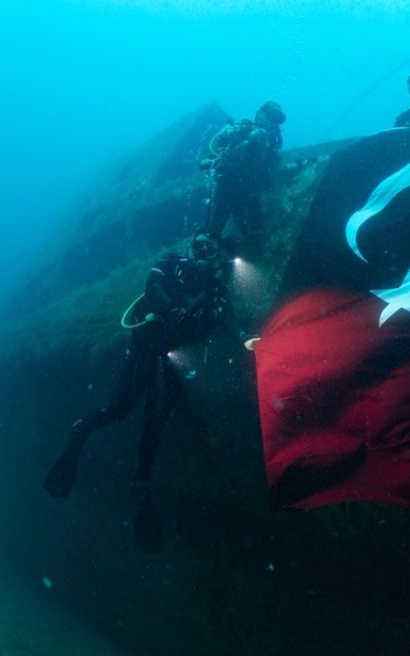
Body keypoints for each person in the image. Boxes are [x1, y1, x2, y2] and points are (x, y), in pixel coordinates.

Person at [43, 235, 230, 553]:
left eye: (209, 251)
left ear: (217, 257)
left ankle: (142, 481)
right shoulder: (170, 264)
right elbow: (151, 288)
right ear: (189, 249)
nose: (202, 254)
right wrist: (171, 310)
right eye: (198, 247)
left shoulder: (215, 289)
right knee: (118, 410)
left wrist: (202, 322)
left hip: (174, 362)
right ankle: (80, 432)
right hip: (145, 349)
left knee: (154, 424)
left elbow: (219, 322)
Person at [198, 100, 286, 248]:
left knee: (254, 231)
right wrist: (249, 137)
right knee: (214, 227)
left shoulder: (275, 140)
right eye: (271, 116)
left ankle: (244, 247)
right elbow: (224, 143)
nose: (273, 122)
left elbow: (273, 163)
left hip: (250, 190)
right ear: (260, 115)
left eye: (277, 118)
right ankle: (209, 247)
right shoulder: (244, 127)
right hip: (228, 183)